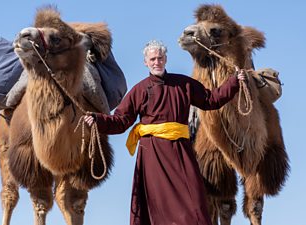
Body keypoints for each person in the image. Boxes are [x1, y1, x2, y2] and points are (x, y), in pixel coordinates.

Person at [84, 40, 246, 225]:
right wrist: (98, 120)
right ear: (146, 62)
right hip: (152, 154)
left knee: (195, 202)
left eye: (160, 58)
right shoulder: (140, 90)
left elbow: (211, 100)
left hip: (181, 151)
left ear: (166, 59)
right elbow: (121, 121)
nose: (156, 62)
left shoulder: (183, 84)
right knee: (156, 205)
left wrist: (234, 82)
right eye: (152, 59)